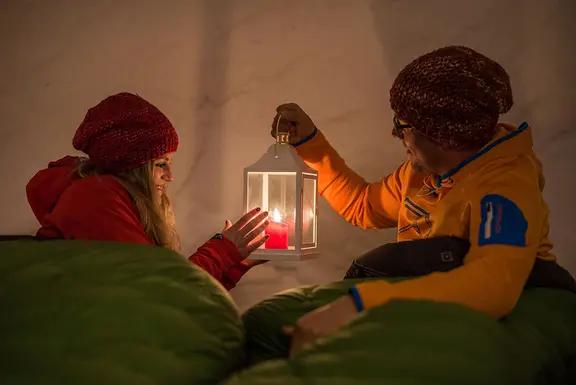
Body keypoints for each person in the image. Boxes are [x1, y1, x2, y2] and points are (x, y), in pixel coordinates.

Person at [273, 45, 557, 355]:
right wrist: (310, 143)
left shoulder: (505, 185)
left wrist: (360, 305)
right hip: (439, 311)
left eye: (402, 124)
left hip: (521, 318)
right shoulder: (422, 173)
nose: (396, 134)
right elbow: (363, 206)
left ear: (441, 133)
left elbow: (493, 286)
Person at [26, 92, 270, 290]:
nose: (170, 176)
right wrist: (223, 250)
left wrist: (235, 264)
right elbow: (157, 292)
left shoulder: (113, 196)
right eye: (161, 164)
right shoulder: (95, 198)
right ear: (133, 167)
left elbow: (174, 296)